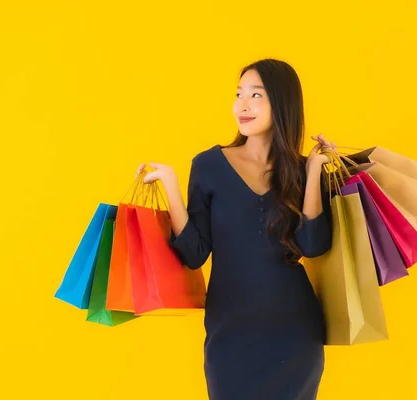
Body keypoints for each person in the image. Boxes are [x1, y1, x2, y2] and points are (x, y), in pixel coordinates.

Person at [136, 58, 337, 400]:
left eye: (256, 95)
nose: (242, 105)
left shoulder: (301, 170)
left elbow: (313, 245)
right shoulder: (208, 165)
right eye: (239, 94)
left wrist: (316, 170)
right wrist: (171, 187)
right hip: (230, 332)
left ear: (282, 102)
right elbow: (195, 253)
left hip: (294, 330)